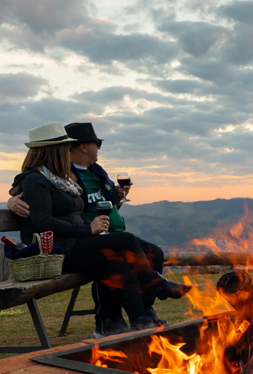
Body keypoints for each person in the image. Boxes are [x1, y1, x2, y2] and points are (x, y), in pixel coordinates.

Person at [9, 122, 187, 338]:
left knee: (120, 255)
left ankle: (126, 321)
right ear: (54, 150)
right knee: (124, 241)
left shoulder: (60, 179)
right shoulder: (36, 179)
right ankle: (153, 285)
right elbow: (42, 221)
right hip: (56, 250)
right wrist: (88, 230)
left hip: (74, 244)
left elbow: (76, 212)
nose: (69, 150)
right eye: (66, 147)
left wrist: (96, 230)